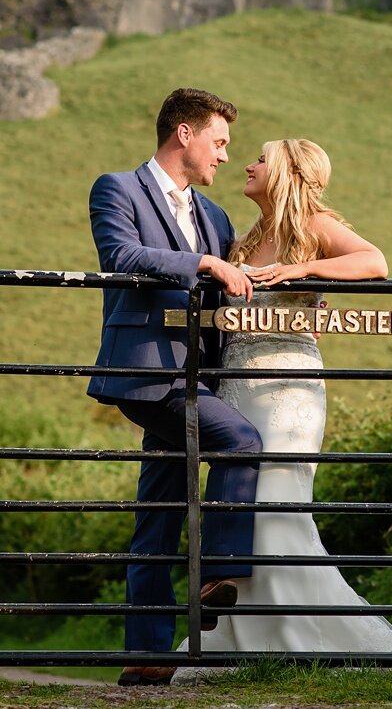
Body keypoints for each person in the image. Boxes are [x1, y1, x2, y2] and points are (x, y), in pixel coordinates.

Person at [170, 138, 392, 684]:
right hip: (239, 387)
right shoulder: (247, 237)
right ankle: (248, 641)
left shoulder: (311, 225)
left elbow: (375, 261)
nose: (248, 164)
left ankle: (306, 638)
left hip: (288, 390)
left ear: (288, 172)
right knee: (245, 512)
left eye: (262, 159)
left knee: (277, 510)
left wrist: (304, 273)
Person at [85, 88, 262, 687]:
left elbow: (230, 288)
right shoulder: (117, 188)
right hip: (145, 375)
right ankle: (218, 570)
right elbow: (120, 254)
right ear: (183, 134)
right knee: (241, 439)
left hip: (198, 377)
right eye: (218, 142)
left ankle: (146, 655)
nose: (223, 156)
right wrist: (206, 266)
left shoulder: (216, 217)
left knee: (157, 514)